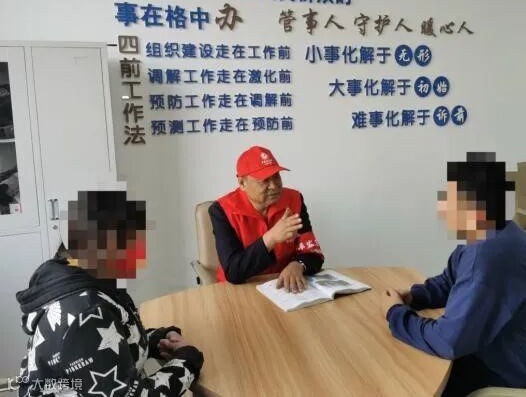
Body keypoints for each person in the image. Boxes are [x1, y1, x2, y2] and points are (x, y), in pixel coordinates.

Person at [380, 153, 526, 396]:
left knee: (407, 380)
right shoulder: (494, 233)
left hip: (518, 379)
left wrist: (395, 314)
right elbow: (451, 280)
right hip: (501, 355)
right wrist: (415, 297)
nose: (442, 208)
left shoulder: (489, 256)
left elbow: (448, 341)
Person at [15, 190, 204, 397]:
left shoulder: (77, 283)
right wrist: (187, 361)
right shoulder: (85, 314)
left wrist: (154, 340)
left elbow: (109, 344)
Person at [209, 146, 324, 291]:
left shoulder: (294, 199)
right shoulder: (221, 210)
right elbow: (233, 272)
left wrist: (298, 265)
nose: (274, 186)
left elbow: (313, 252)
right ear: (242, 183)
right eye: (264, 180)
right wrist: (271, 238)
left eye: (276, 176)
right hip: (239, 289)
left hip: (284, 285)